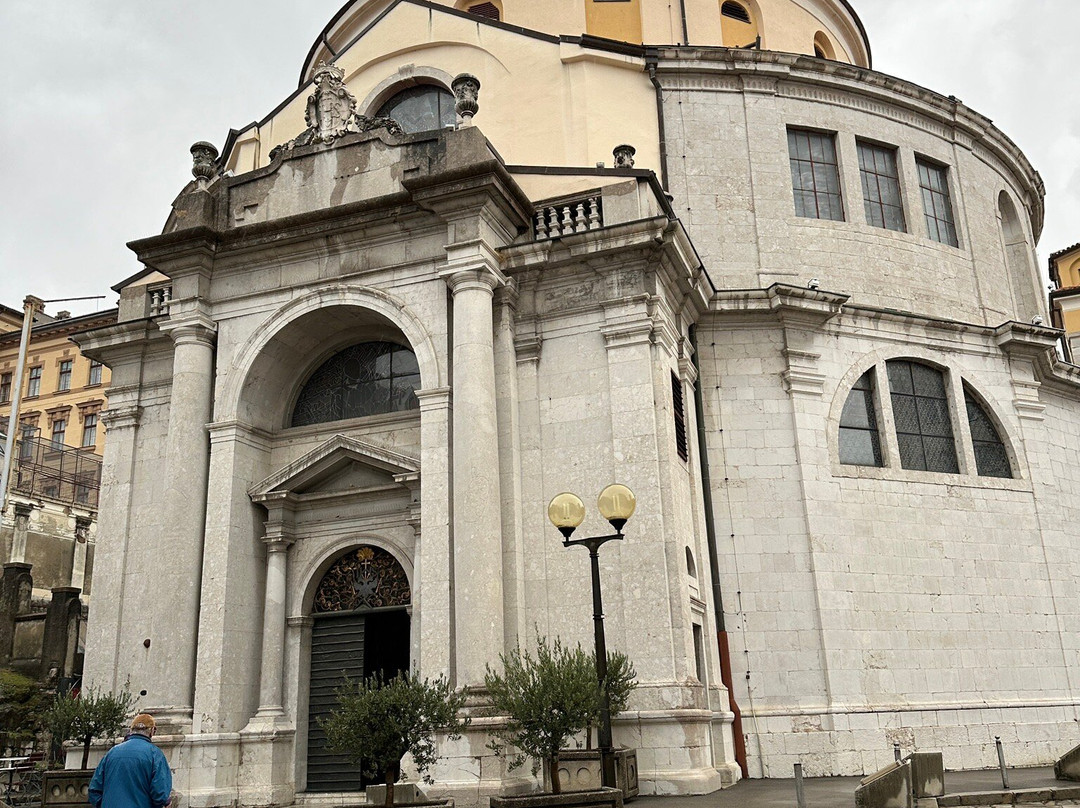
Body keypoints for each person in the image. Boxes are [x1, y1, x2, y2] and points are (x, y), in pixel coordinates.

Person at [88, 713, 172, 808]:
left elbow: (94, 790)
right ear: (152, 731)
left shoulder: (112, 753)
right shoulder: (155, 754)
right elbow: (160, 794)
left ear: (131, 730)